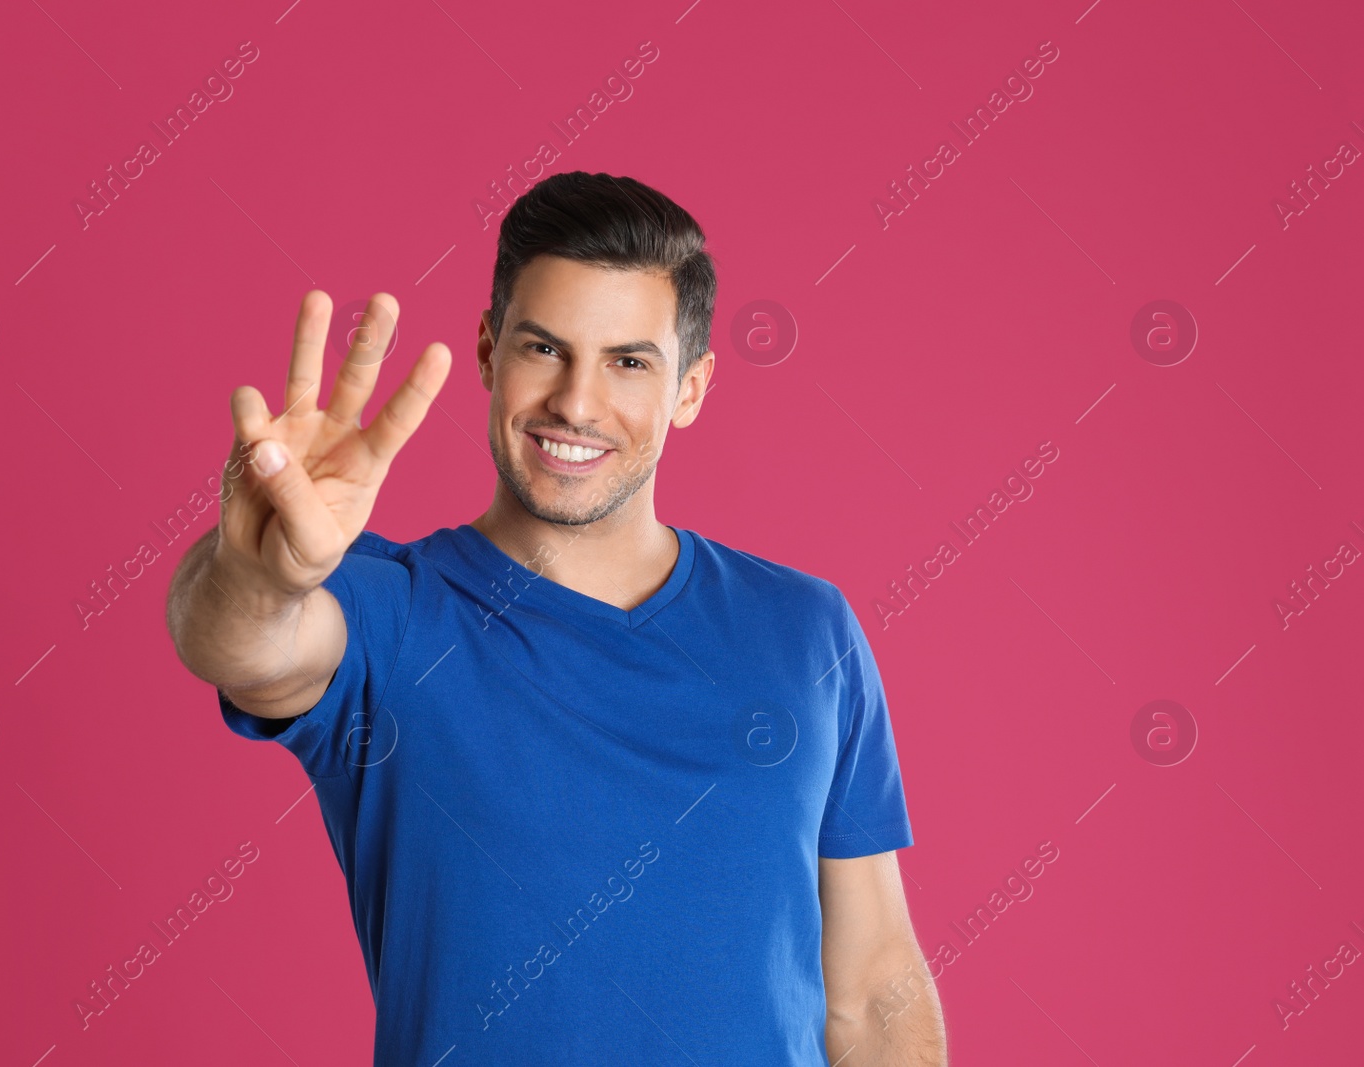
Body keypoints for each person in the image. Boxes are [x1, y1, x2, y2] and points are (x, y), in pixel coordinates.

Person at [166, 171, 946, 1065]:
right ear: (491, 352)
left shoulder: (809, 632)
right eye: (544, 349)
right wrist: (257, 572)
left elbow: (875, 980)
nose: (576, 402)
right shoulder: (391, 615)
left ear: (690, 388)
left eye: (628, 361)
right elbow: (237, 641)